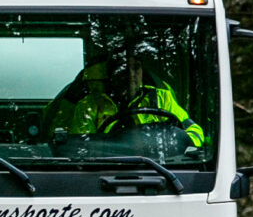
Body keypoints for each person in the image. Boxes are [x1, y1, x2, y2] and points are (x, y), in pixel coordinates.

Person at [41, 46, 204, 148]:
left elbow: (194, 130)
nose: (130, 74)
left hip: (156, 168)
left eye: (136, 68)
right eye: (123, 69)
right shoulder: (88, 105)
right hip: (105, 169)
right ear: (111, 74)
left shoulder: (162, 98)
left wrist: (184, 144)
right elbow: (81, 146)